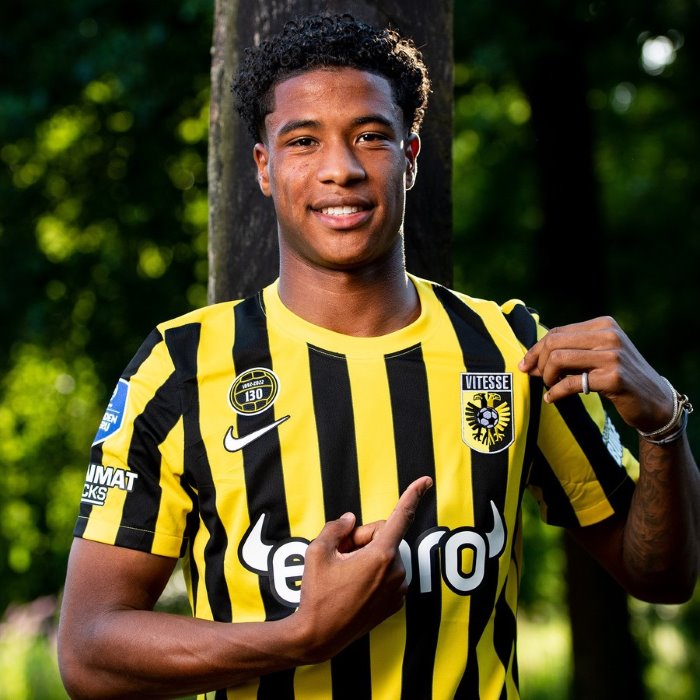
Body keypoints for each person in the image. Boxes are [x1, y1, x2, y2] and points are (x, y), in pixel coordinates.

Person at [57, 12, 699, 700]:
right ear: (265, 167)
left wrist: (663, 425)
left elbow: (663, 577)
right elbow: (88, 653)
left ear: (410, 156)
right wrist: (299, 638)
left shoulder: (512, 349)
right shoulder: (179, 368)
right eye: (304, 141)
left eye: (370, 136)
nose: (341, 169)